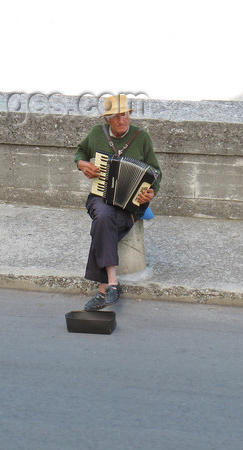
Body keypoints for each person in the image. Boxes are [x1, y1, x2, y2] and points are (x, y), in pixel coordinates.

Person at [74, 94, 163, 311]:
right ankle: (111, 282)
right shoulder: (97, 134)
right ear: (107, 120)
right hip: (101, 195)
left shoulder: (141, 138)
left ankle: (105, 287)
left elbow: (156, 172)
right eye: (116, 117)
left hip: (132, 201)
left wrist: (151, 193)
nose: (122, 120)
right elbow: (80, 152)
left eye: (126, 115)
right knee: (103, 216)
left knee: (103, 225)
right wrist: (82, 164)